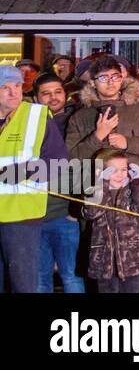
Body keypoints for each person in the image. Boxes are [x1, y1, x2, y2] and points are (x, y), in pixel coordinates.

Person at [66, 56, 139, 215]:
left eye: (115, 77)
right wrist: (96, 137)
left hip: (136, 202)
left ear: (122, 79)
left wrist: (128, 143)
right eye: (103, 78)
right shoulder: (80, 116)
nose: (110, 82)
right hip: (96, 205)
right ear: (92, 82)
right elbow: (70, 160)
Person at [0, 65, 69, 293]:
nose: (14, 93)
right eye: (5, 87)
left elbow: (58, 164)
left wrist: (13, 174)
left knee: (23, 285)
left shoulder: (36, 117)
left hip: (21, 217)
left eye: (18, 86)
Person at [32, 72, 82, 294]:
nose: (53, 98)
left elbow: (85, 164)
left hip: (65, 213)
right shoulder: (28, 126)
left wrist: (75, 209)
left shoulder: (76, 122)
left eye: (57, 92)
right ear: (35, 98)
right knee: (40, 278)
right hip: (33, 214)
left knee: (71, 276)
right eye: (46, 93)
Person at [82, 151, 139, 293]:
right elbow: (91, 212)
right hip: (104, 261)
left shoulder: (131, 190)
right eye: (113, 171)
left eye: (124, 169)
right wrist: (101, 184)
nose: (120, 174)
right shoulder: (94, 191)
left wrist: (138, 182)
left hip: (132, 260)